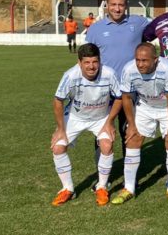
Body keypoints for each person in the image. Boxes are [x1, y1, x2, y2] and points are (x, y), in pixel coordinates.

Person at [50, 43, 122, 207]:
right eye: (87, 62)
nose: (91, 66)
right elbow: (57, 100)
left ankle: (102, 187)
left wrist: (110, 122)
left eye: (95, 62)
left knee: (107, 144)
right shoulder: (70, 75)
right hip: (75, 116)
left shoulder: (109, 74)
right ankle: (67, 189)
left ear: (99, 61)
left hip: (101, 117)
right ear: (79, 62)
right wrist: (60, 129)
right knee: (58, 147)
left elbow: (119, 97)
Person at [116, 43, 168, 205]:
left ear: (156, 59)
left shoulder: (166, 68)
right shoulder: (128, 69)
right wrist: (131, 124)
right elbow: (126, 97)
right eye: (137, 60)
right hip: (144, 105)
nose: (140, 64)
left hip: (167, 106)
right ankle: (129, 188)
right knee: (133, 139)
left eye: (145, 60)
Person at [86, 0, 152, 144]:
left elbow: (161, 26)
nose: (117, 9)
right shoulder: (95, 29)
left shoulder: (138, 22)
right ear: (106, 5)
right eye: (113, 5)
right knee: (102, 134)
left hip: (131, 88)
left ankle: (128, 168)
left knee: (129, 132)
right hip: (104, 88)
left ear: (126, 6)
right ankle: (104, 168)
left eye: (121, 5)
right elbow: (87, 58)